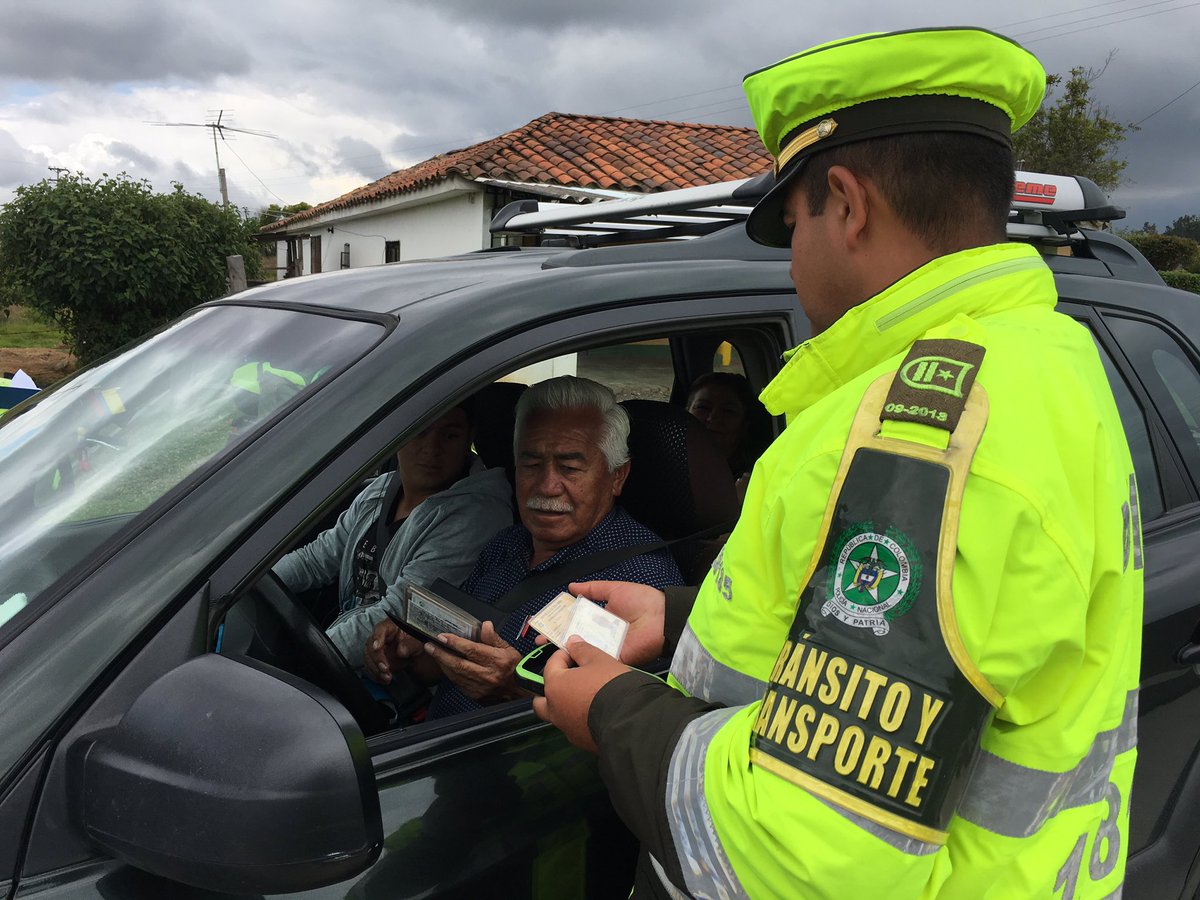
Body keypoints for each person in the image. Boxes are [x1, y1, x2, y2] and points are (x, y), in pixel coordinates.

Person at [534, 27, 1143, 899]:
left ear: (848, 204)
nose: (792, 260)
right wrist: (679, 615)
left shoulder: (919, 434)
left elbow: (807, 854)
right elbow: (932, 638)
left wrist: (611, 709)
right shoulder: (1042, 356)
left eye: (792, 225)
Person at [364, 375, 684, 719]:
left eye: (570, 467)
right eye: (531, 464)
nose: (546, 486)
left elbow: (619, 727)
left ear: (616, 476)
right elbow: (451, 660)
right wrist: (408, 650)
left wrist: (513, 692)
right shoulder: (505, 544)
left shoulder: (640, 583)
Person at [273, 398, 513, 661]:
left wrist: (302, 660)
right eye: (420, 430)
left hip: (389, 681)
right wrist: (256, 584)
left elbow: (398, 613)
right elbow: (317, 559)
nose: (431, 449)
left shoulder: (475, 517)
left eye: (450, 435)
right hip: (345, 650)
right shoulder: (381, 489)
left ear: (469, 438)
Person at [684, 371, 769, 499]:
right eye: (703, 407)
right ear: (686, 412)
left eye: (728, 411)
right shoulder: (663, 461)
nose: (713, 418)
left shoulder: (756, 477)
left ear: (745, 423)